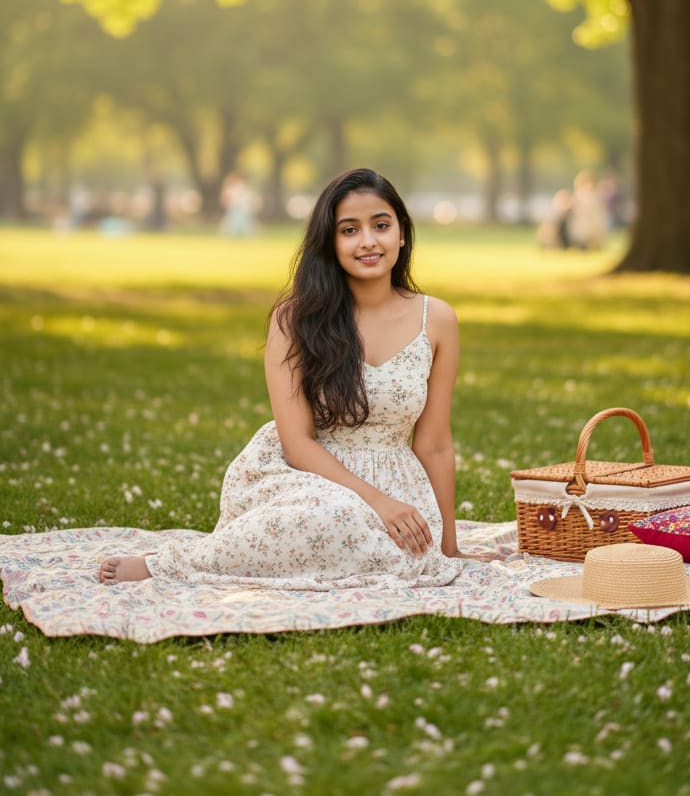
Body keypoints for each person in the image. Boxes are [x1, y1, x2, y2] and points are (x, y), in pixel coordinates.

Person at [99, 167, 489, 589]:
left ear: (402, 234)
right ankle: (175, 563)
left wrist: (449, 548)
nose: (368, 241)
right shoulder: (295, 320)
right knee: (332, 519)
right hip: (308, 476)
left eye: (381, 225)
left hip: (399, 483)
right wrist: (375, 503)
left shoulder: (438, 320)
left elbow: (434, 444)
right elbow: (297, 443)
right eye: (349, 230)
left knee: (396, 552)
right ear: (331, 243)